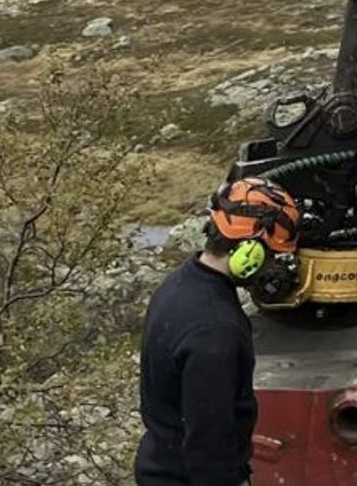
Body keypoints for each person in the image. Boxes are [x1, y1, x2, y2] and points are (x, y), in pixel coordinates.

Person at [136, 177, 301, 486]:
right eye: (271, 255)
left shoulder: (179, 284)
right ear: (248, 251)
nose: (272, 267)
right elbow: (209, 446)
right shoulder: (214, 332)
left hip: (159, 464)